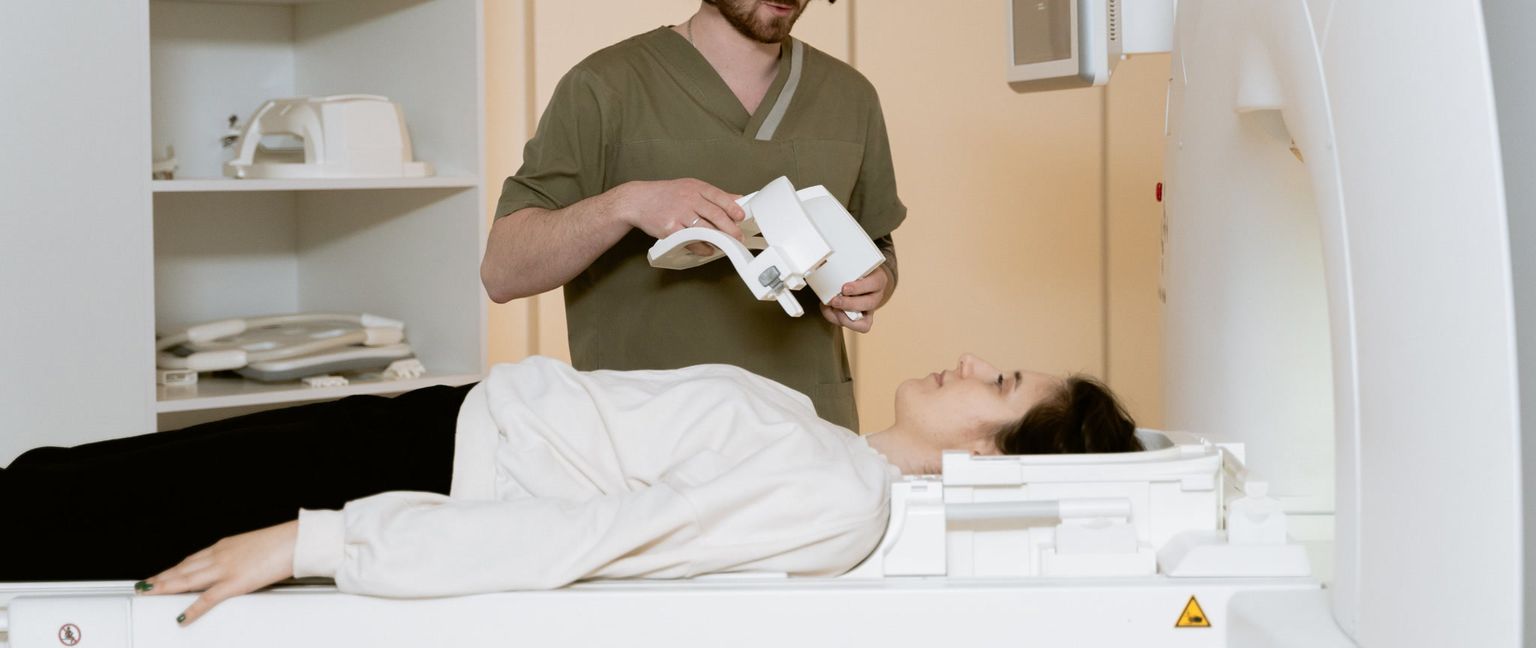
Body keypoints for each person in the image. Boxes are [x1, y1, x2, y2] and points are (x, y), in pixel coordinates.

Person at [0, 354, 1140, 625]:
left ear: (994, 459)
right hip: (430, 428)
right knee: (50, 492)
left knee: (44, 512)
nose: (972, 362)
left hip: (405, 471)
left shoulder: (835, 494)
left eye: (997, 383)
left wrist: (314, 542)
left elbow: (583, 537)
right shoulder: (826, 445)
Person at [480, 0, 907, 430]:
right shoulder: (604, 86)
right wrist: (627, 203)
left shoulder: (850, 97)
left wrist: (875, 283)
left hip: (809, 431)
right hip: (643, 438)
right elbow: (503, 271)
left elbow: (876, 245)